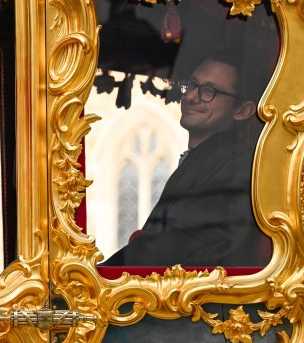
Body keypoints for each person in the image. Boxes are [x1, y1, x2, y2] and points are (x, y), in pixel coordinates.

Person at [101, 54, 271, 268]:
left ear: (242, 111)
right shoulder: (204, 158)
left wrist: (93, 277)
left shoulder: (236, 166)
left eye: (209, 91)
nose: (190, 96)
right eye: (191, 85)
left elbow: (173, 247)